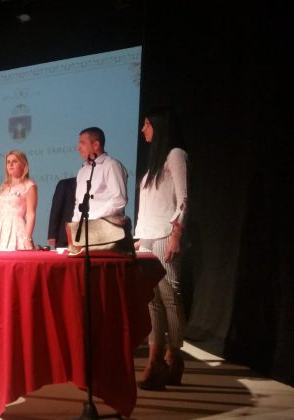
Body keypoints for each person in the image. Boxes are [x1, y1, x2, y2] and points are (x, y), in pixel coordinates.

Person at [134, 107, 189, 390]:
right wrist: (139, 238)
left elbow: (183, 199)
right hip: (147, 238)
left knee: (170, 297)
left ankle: (173, 356)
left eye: (146, 124)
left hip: (166, 235)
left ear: (158, 125)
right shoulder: (153, 166)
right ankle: (154, 359)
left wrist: (176, 235)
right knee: (152, 299)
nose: (143, 129)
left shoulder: (175, 155)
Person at [71, 127, 128, 222]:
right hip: (83, 227)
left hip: (104, 227)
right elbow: (78, 202)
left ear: (96, 145)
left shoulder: (111, 165)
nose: (78, 148)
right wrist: (74, 223)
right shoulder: (82, 170)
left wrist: (92, 217)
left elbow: (119, 200)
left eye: (82, 143)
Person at [0, 150, 37, 250]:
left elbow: (31, 214)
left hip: (16, 230)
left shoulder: (29, 186)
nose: (10, 165)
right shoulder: (4, 187)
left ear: (23, 165)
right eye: (8, 162)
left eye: (14, 161)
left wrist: (27, 238)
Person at [47, 177, 76, 248]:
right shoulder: (65, 184)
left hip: (89, 236)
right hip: (64, 237)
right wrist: (52, 235)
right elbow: (56, 209)